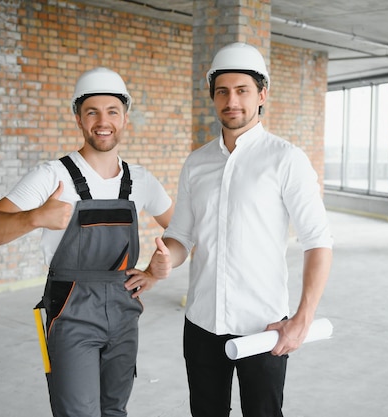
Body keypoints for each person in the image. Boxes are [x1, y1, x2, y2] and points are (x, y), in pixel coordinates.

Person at [137, 42, 334, 417]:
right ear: (213, 97)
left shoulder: (286, 159)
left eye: (242, 90)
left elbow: (318, 241)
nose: (232, 100)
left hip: (263, 327)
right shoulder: (196, 163)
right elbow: (182, 236)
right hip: (201, 324)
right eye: (223, 91)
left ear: (262, 94)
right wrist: (162, 264)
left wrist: (303, 319)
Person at [0, 67, 174, 417]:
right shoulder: (52, 175)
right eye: (92, 112)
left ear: (125, 118)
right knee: (78, 412)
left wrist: (157, 271)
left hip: (124, 309)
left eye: (112, 111)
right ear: (79, 119)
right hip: (70, 311)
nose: (103, 121)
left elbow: (182, 231)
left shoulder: (140, 180)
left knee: (115, 409)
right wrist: (34, 217)